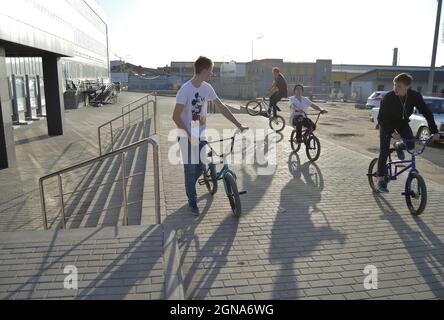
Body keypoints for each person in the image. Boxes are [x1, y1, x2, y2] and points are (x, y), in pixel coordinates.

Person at [172, 56, 248, 215]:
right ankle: (192, 202)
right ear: (204, 71)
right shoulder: (185, 90)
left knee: (201, 167)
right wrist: (189, 136)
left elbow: (221, 107)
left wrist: (238, 124)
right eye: (210, 72)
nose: (211, 75)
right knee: (190, 170)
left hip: (200, 135)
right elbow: (175, 117)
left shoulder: (207, 88)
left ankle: (190, 186)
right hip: (186, 136)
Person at [377, 73, 440, 193]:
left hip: (402, 124)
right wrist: (391, 133)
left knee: (411, 145)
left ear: (407, 86)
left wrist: (434, 131)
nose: (395, 88)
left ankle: (399, 146)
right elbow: (381, 118)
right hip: (387, 125)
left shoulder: (415, 96)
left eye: (399, 86)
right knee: (384, 151)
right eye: (394, 85)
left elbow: (427, 113)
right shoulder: (388, 97)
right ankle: (380, 180)